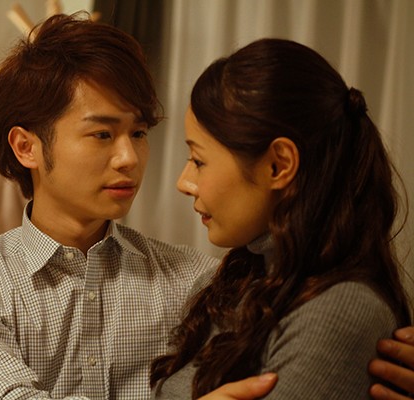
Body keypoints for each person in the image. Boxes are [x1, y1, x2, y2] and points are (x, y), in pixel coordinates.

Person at [0, 13, 414, 400]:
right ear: (26, 147)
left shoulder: (204, 285)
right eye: (102, 134)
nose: (130, 158)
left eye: (139, 133)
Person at [149, 38, 413, 400]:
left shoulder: (339, 309)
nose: (184, 183)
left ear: (279, 165)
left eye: (199, 160)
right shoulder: (235, 282)